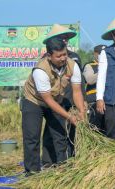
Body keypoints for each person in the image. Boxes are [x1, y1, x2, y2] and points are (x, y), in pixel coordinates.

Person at [21, 38, 85, 175]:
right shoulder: (40, 70)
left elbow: (77, 91)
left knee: (59, 134)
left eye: (64, 54)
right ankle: (32, 172)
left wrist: (81, 112)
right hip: (34, 101)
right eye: (58, 56)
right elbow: (48, 100)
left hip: (56, 99)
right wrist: (69, 117)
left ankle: (61, 168)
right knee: (32, 137)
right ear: (49, 56)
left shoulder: (72, 65)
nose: (63, 58)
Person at [41, 24, 84, 167]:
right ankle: (48, 162)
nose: (64, 41)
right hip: (53, 101)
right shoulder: (45, 60)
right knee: (51, 132)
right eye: (61, 38)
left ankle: (69, 160)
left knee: (69, 133)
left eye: (66, 38)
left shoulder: (75, 58)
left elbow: (78, 85)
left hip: (70, 99)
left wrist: (81, 107)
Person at [82, 45, 107, 132]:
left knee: (107, 126)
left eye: (105, 53)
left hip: (108, 100)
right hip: (93, 100)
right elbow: (89, 79)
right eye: (100, 53)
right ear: (95, 53)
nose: (102, 55)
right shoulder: (89, 65)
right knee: (95, 126)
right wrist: (103, 69)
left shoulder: (112, 65)